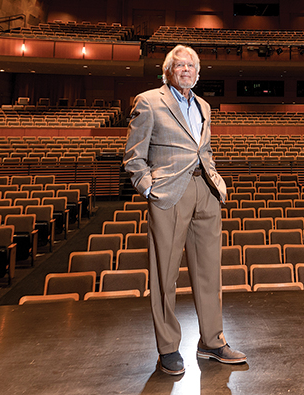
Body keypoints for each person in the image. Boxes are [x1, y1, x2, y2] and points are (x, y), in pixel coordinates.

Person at [123, 44, 246, 375]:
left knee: (208, 271)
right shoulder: (149, 101)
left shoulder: (204, 104)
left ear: (198, 72)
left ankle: (211, 341)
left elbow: (202, 149)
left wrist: (216, 183)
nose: (186, 70)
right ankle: (167, 348)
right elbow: (133, 155)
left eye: (191, 66)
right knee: (165, 274)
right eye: (179, 65)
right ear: (167, 71)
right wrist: (148, 188)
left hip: (204, 191)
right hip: (168, 194)